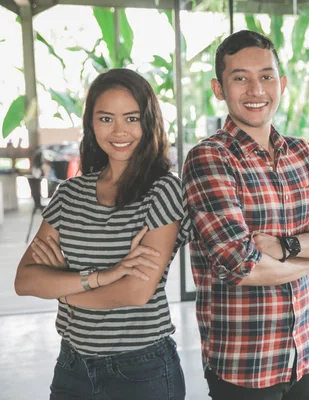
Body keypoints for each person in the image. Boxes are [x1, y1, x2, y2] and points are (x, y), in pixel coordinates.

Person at [182, 30, 309, 400]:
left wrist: (286, 246)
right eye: (240, 78)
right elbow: (241, 265)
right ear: (219, 89)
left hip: (306, 354)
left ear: (281, 84)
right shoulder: (209, 158)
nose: (256, 90)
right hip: (244, 365)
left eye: (265, 76)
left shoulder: (304, 154)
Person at [14, 69, 190, 400]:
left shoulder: (164, 189)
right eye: (106, 118)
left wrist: (63, 288)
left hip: (141, 368)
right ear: (91, 124)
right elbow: (25, 281)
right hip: (72, 365)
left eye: (132, 118)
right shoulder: (69, 194)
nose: (119, 130)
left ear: (148, 122)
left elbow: (136, 292)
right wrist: (103, 276)